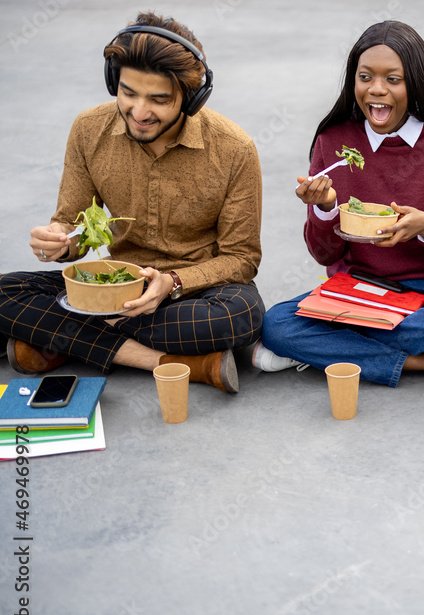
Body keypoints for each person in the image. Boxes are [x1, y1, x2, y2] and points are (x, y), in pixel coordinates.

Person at [0, 12, 263, 393]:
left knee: (243, 316)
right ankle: (171, 362)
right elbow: (73, 229)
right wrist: (58, 241)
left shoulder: (235, 148)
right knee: (5, 291)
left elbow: (242, 259)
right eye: (129, 93)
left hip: (192, 293)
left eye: (159, 99)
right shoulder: (89, 129)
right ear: (113, 82)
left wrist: (172, 282)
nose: (139, 112)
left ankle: (58, 339)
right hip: (113, 287)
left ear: (191, 98)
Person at [253, 21, 424, 391]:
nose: (376, 90)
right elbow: (323, 253)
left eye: (393, 79)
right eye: (365, 77)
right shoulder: (333, 141)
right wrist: (326, 209)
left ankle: (322, 351)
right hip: (357, 288)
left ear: (417, 82)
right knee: (276, 324)